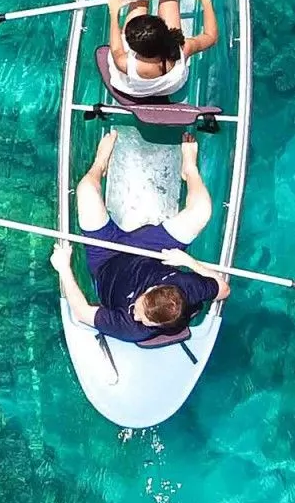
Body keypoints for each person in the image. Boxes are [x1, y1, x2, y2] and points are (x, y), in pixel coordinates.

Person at [49, 127, 231, 343]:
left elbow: (81, 311)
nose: (135, 314)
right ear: (155, 288)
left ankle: (99, 163)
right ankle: (188, 169)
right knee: (201, 211)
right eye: (139, 307)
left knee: (86, 190)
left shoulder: (131, 328)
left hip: (106, 260)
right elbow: (223, 290)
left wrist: (64, 268)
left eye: (143, 319)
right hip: (152, 252)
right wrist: (188, 261)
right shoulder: (187, 287)